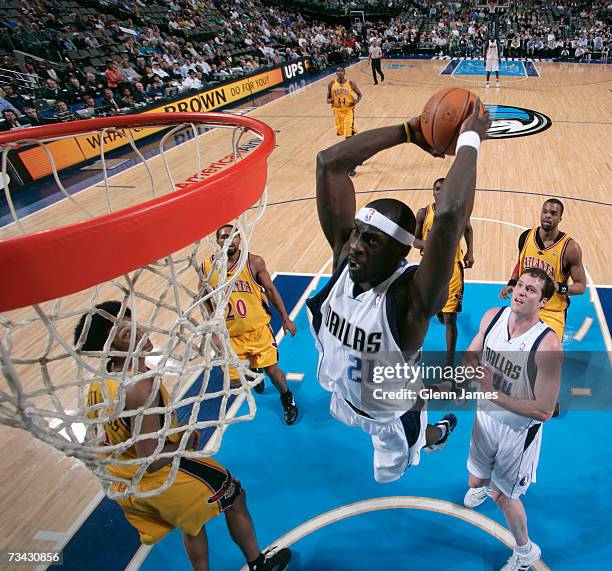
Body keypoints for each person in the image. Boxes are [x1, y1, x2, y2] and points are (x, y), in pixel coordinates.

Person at [307, 99, 491, 483]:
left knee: (387, 474)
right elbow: (329, 163)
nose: (355, 244)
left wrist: (470, 138)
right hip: (341, 397)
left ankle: (433, 433)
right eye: (357, 233)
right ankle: (422, 401)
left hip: (392, 417)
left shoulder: (409, 302)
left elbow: (450, 218)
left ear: (399, 254)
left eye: (371, 242)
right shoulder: (346, 259)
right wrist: (407, 132)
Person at [74, 301, 291, 571]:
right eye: (126, 334)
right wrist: (183, 443)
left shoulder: (101, 382)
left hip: (123, 477)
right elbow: (150, 459)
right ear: (109, 348)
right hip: (154, 475)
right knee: (233, 495)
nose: (141, 331)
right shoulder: (140, 386)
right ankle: (258, 564)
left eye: (134, 325)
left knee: (192, 522)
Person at [462, 268, 562, 571]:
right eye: (520, 285)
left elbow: (544, 410)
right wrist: (469, 368)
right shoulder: (492, 316)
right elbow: (472, 353)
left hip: (517, 434)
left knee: (503, 498)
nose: (521, 292)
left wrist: (493, 394)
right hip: (485, 419)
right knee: (475, 479)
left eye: (532, 290)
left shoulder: (547, 346)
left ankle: (525, 551)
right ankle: (481, 485)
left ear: (542, 302)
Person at [203, 226, 299, 425]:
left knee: (273, 371)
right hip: (231, 336)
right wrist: (212, 327)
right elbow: (204, 296)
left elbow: (271, 290)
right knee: (235, 380)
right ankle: (255, 371)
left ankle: (287, 398)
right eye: (223, 237)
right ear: (217, 241)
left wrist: (285, 318)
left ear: (240, 240)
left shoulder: (253, 262)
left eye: (233, 237)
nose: (229, 240)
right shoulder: (208, 267)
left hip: (258, 332)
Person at [499, 199, 586, 343]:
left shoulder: (570, 248)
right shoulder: (526, 237)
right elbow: (521, 262)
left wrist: (559, 287)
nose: (547, 216)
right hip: (524, 307)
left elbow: (581, 287)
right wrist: (512, 283)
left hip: (552, 313)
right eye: (545, 211)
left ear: (560, 218)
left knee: (547, 358)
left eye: (553, 213)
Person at [415, 177, 474, 368]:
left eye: (444, 188)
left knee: (450, 318)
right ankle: (413, 354)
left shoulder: (457, 212)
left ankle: (449, 363)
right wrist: (429, 245)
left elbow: (468, 229)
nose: (440, 192)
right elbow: (415, 240)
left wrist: (470, 252)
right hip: (429, 269)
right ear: (433, 191)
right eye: (437, 189)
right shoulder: (424, 213)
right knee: (421, 313)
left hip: (452, 268)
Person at [326, 66, 362, 176]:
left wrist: (355, 102)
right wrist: (329, 100)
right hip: (337, 113)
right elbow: (327, 98)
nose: (340, 72)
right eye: (337, 71)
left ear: (344, 72)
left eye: (341, 70)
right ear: (336, 73)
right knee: (348, 135)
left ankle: (351, 166)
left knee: (347, 139)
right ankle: (360, 154)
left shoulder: (351, 83)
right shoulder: (331, 84)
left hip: (348, 111)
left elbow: (360, 95)